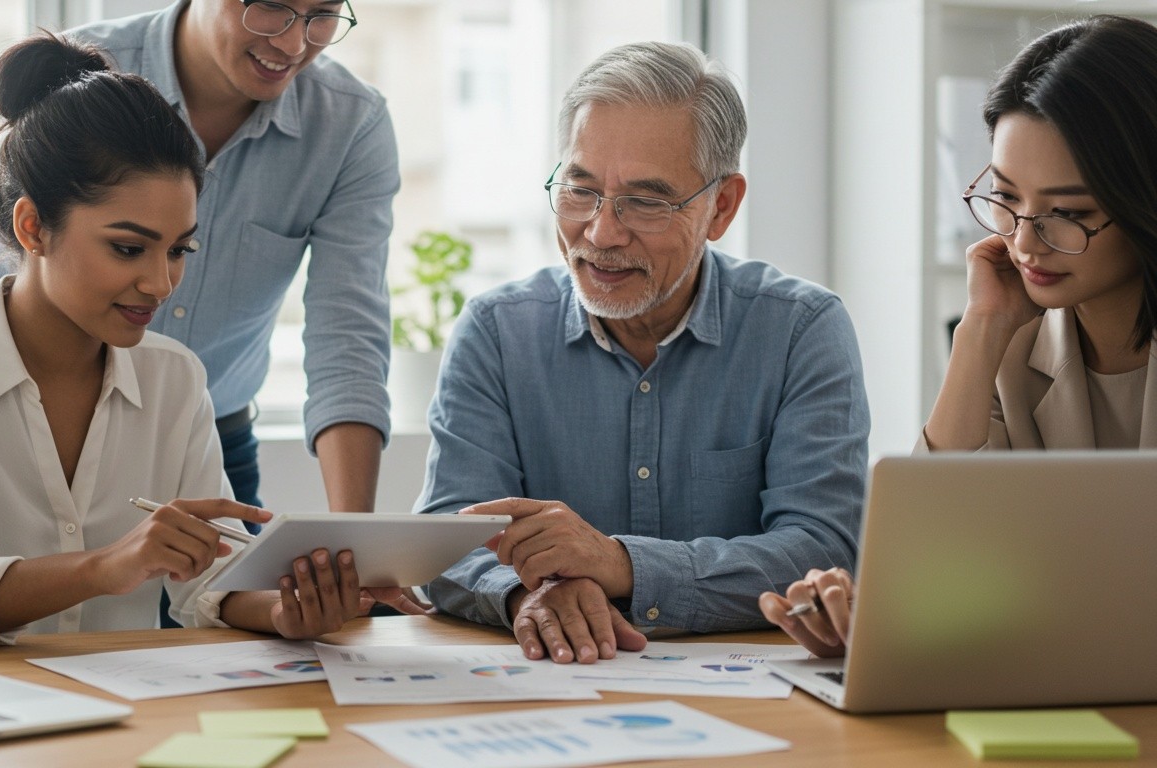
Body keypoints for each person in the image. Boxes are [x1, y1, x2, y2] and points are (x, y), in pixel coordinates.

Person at [0, 34, 380, 646]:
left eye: (179, 250)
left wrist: (286, 610)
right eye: (128, 248)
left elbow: (215, 581)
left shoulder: (173, 378)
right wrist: (103, 567)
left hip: (122, 723)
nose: (161, 282)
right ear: (33, 226)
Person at [418, 41, 871, 665]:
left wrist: (620, 565)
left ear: (722, 206)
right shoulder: (497, 331)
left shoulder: (800, 330)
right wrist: (529, 594)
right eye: (580, 190)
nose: (601, 233)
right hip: (552, 685)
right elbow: (445, 537)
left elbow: (823, 548)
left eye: (647, 202)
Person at [760, 15, 1157, 657]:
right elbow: (928, 560)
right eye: (1004, 198)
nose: (1023, 242)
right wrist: (979, 334)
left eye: (1069, 213)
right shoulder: (1013, 344)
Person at [0, 0, 398, 521]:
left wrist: (353, 538)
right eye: (270, 6)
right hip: (50, 434)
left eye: (322, 13)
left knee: (228, 599)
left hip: (215, 443)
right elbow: (11, 289)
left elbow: (347, 338)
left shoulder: (349, 123)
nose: (293, 44)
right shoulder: (73, 80)